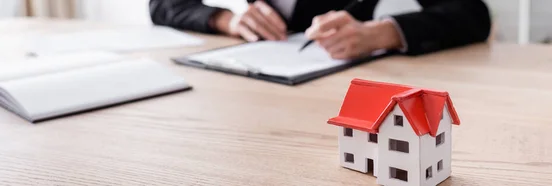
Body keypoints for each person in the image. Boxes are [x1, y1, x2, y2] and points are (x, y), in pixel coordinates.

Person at [149, 0, 491, 59]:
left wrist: (383, 32)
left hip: (341, 79)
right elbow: (162, 5)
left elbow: (472, 13)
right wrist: (227, 20)